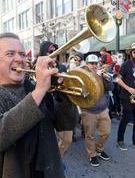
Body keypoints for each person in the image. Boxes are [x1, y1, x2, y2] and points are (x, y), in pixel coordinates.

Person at [0, 32, 78, 178]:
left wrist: (63, 95)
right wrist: (41, 89)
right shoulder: (38, 90)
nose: (19, 59)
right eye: (10, 54)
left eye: (22, 54)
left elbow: (66, 124)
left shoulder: (34, 88)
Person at [39, 41, 77, 157]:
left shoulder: (61, 67)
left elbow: (66, 89)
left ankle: (58, 158)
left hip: (61, 108)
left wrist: (63, 83)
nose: (54, 54)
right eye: (51, 52)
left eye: (56, 52)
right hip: (46, 108)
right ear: (43, 53)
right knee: (48, 141)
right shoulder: (39, 67)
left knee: (67, 140)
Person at [80, 54, 111, 167]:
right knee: (90, 135)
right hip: (89, 110)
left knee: (106, 132)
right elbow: (82, 94)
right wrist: (93, 78)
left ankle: (99, 149)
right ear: (87, 64)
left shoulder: (101, 74)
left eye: (95, 64)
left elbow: (110, 88)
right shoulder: (82, 76)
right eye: (91, 63)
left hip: (103, 108)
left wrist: (105, 78)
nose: (94, 66)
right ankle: (92, 154)